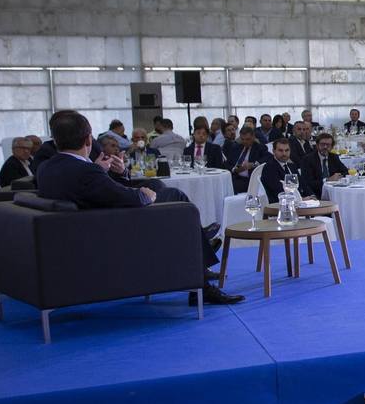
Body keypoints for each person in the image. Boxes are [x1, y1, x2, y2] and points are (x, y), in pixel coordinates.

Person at [34, 111, 241, 304]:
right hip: (116, 231)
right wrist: (144, 196)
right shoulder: (85, 172)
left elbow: (98, 190)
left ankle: (200, 245)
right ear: (88, 139)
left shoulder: (45, 168)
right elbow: (123, 196)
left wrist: (117, 175)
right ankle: (201, 257)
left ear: (56, 141)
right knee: (175, 198)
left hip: (84, 228)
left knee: (160, 189)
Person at [298, 133, 346, 198]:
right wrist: (328, 180)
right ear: (317, 145)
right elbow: (307, 183)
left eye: (328, 145)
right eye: (322, 144)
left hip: (334, 193)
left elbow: (345, 172)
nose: (325, 147)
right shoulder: (308, 159)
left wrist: (338, 176)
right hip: (316, 194)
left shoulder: (334, 157)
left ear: (332, 147)